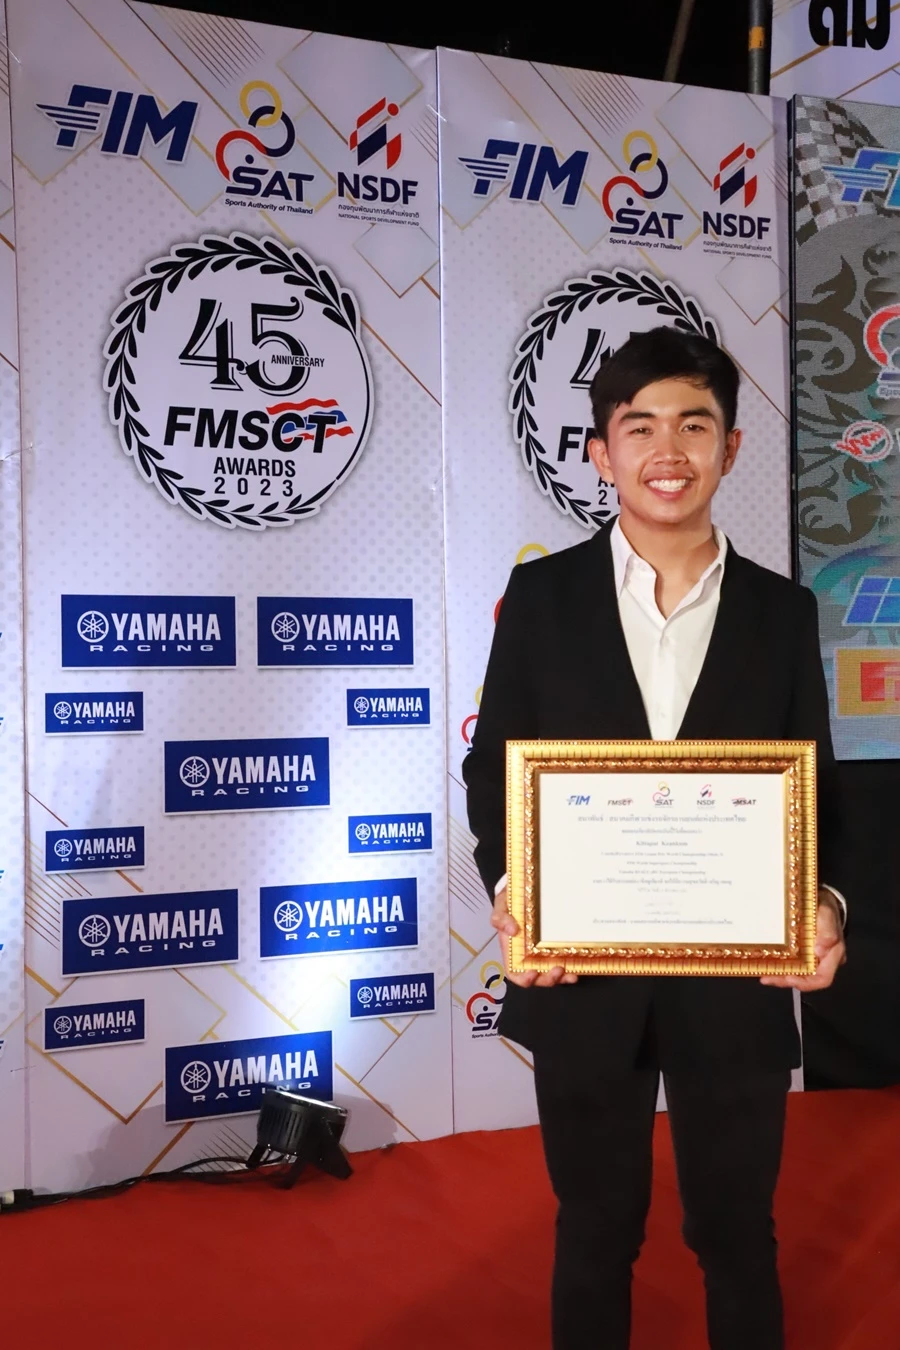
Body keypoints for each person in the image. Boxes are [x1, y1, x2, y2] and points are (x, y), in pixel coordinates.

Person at [462, 326, 847, 1350]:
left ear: (730, 446)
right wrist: (514, 887)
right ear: (601, 453)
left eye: (694, 424)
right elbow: (493, 770)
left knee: (738, 1235)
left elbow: (814, 783)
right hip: (585, 981)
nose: (667, 450)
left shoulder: (784, 612)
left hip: (738, 982)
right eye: (639, 427)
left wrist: (824, 903)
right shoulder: (542, 599)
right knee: (594, 1231)